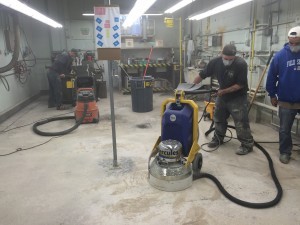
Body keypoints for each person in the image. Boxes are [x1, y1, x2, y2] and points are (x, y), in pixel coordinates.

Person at [193, 44, 254, 155]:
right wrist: (193, 84)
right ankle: (218, 139)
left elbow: (240, 85)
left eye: (231, 59)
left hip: (238, 97)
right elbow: (203, 74)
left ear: (235, 56)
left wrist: (223, 91)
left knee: (241, 121)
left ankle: (247, 144)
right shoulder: (215, 62)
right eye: (225, 59)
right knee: (218, 118)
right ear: (221, 54)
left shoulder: (241, 64)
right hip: (223, 96)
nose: (228, 61)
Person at [266, 26, 300, 164]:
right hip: (286, 99)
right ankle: (285, 152)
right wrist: (272, 95)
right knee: (285, 129)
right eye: (291, 42)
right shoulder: (280, 56)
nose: (293, 45)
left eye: (297, 43)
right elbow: (271, 77)